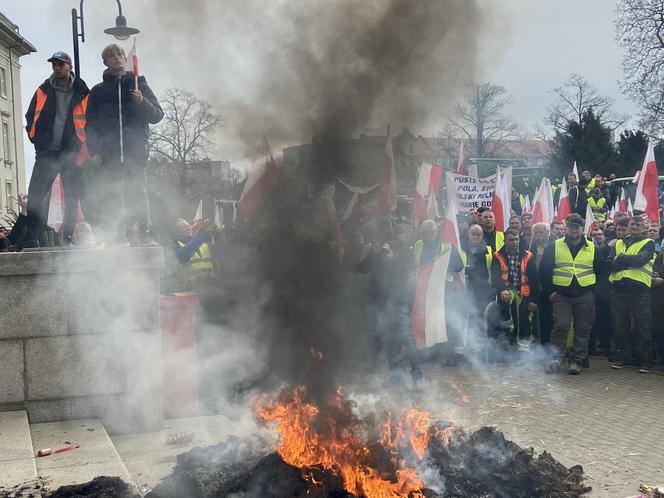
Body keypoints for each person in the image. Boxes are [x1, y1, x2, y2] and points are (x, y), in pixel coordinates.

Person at [85, 44, 164, 245]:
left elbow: (157, 115)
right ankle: (117, 236)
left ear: (124, 58)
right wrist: (93, 150)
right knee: (112, 194)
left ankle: (144, 234)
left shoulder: (140, 86)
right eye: (111, 56)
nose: (117, 57)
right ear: (106, 63)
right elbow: (91, 124)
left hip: (135, 151)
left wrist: (141, 101)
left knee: (138, 192)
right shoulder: (97, 91)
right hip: (109, 153)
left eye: (119, 53)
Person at [23, 51, 89, 247]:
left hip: (72, 152)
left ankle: (68, 237)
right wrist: (37, 142)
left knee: (71, 195)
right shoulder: (42, 90)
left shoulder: (83, 92)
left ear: (70, 66)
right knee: (35, 194)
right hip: (47, 153)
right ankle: (32, 238)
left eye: (61, 64)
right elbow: (30, 118)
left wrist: (83, 149)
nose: (57, 68)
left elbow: (91, 122)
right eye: (54, 65)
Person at [539, 214, 605, 375]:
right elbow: (544, 271)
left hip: (585, 294)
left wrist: (594, 292)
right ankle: (556, 359)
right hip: (561, 294)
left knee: (583, 328)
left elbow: (601, 271)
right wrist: (550, 293)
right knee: (560, 327)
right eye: (571, 226)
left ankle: (576, 361)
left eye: (577, 227)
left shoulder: (593, 247)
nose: (574, 230)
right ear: (566, 228)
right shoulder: (554, 246)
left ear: (582, 229)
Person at [608, 215, 656, 373]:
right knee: (619, 326)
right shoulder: (618, 242)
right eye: (632, 224)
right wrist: (622, 261)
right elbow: (609, 263)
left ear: (643, 228)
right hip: (619, 290)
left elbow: (640, 260)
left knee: (643, 327)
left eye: (638, 224)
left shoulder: (648, 243)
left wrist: (620, 258)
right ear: (628, 226)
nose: (635, 226)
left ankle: (645, 361)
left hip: (639, 291)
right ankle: (625, 357)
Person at [490, 228, 539, 352]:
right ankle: (505, 347)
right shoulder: (497, 256)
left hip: (523, 294)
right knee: (505, 320)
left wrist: (534, 299)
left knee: (524, 321)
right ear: (505, 241)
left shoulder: (528, 256)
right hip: (505, 293)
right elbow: (495, 276)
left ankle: (523, 350)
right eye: (511, 240)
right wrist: (502, 289)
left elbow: (534, 279)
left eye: (516, 239)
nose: (515, 242)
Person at [460, 224, 494, 346]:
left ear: (482, 236)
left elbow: (493, 270)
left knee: (479, 318)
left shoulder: (488, 251)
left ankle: (478, 346)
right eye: (473, 234)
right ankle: (461, 347)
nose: (476, 236)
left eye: (478, 235)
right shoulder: (460, 248)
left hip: (482, 291)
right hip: (463, 289)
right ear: (468, 234)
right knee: (461, 317)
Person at [589, 226, 612, 356]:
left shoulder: (611, 248)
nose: (598, 236)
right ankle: (593, 347)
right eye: (594, 234)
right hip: (591, 289)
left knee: (605, 320)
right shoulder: (588, 249)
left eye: (600, 234)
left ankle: (606, 346)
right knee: (592, 320)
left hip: (605, 291)